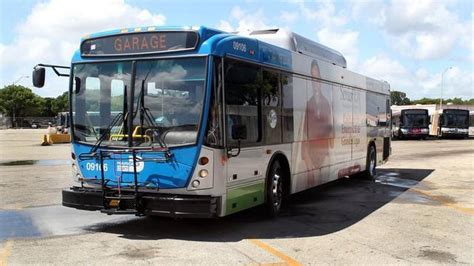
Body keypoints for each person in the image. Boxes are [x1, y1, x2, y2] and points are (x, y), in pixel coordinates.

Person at [301, 60, 335, 186]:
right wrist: (308, 163)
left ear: (321, 79)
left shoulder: (327, 104)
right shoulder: (308, 104)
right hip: (311, 160)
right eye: (312, 78)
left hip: (325, 158)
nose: (315, 82)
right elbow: (304, 136)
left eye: (317, 78)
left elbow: (331, 136)